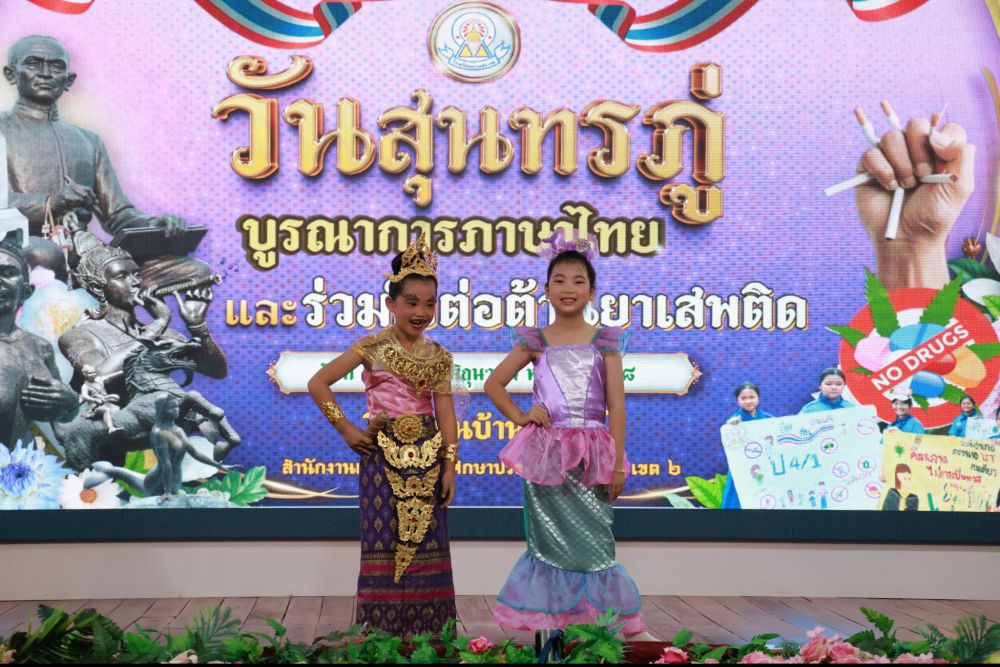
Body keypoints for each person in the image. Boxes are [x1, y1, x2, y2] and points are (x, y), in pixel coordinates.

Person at [484, 231, 650, 640]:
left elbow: (617, 407)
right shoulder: (535, 341)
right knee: (548, 542)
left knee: (597, 539)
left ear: (592, 291)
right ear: (546, 290)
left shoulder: (604, 341)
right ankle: (551, 629)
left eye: (578, 280)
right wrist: (522, 416)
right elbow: (493, 384)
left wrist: (617, 463)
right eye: (559, 280)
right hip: (548, 458)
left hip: (593, 455)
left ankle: (609, 630)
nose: (568, 288)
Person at [307, 233, 459, 636]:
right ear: (391, 304)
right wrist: (346, 429)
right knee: (383, 539)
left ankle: (431, 637)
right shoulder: (372, 347)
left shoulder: (439, 357)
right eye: (411, 302)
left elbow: (446, 413)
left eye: (429, 303)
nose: (421, 311)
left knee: (428, 541)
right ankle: (380, 636)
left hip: (428, 458)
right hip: (381, 456)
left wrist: (450, 466)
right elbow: (318, 383)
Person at [1, 35, 205, 286]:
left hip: (86, 255)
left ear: (68, 80)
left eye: (56, 66)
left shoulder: (88, 141)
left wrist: (152, 224)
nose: (45, 73)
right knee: (45, 253)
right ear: (11, 74)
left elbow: (117, 214)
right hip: (19, 251)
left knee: (193, 271)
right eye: (33, 63)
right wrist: (50, 203)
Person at [0, 239, 77, 447]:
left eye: (8, 273)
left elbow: (61, 418)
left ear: (26, 292)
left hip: (22, 460)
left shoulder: (39, 347)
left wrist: (69, 404)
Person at [721, 382, 774, 510]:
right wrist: (731, 427)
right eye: (743, 398)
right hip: (742, 467)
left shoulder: (769, 419)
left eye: (752, 397)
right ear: (737, 400)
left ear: (758, 398)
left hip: (764, 465)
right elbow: (730, 443)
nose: (748, 401)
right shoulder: (734, 421)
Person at [79, 364, 122, 434]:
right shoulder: (85, 386)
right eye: (90, 373)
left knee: (116, 407)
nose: (93, 374)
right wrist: (95, 400)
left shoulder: (99, 379)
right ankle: (110, 428)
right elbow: (84, 396)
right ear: (85, 374)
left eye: (94, 372)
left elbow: (110, 376)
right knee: (105, 410)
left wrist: (121, 372)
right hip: (94, 406)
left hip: (105, 402)